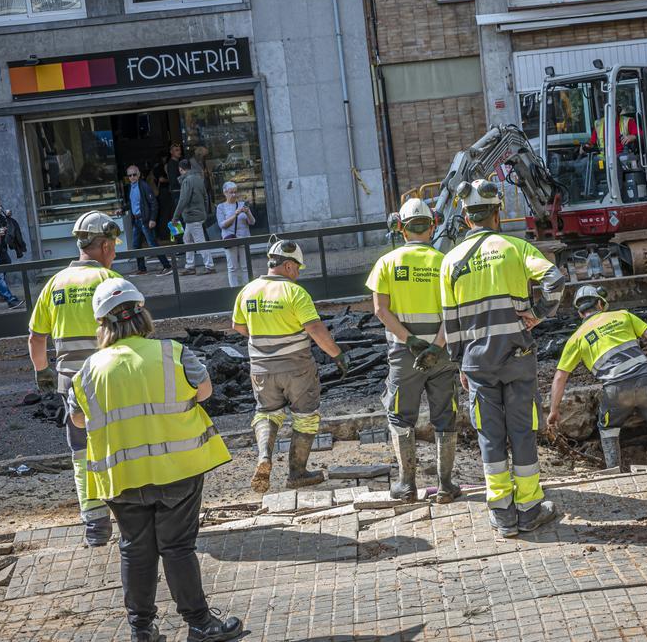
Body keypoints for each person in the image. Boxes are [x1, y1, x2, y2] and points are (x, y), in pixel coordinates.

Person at [68, 278, 243, 642]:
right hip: (178, 471)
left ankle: (142, 630)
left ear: (102, 326)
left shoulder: (86, 373)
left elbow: (79, 420)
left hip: (122, 477)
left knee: (134, 549)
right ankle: (199, 623)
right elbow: (205, 391)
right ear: (143, 315)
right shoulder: (173, 353)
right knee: (177, 547)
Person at [439, 179, 566, 537]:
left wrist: (460, 361)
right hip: (517, 356)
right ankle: (528, 509)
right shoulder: (514, 247)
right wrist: (539, 313)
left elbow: (451, 322)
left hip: (477, 363)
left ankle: (502, 515)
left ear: (466, 218)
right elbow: (554, 281)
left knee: (490, 437)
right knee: (522, 432)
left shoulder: (449, 261)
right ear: (498, 214)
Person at [27, 211, 122, 546]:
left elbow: (36, 339)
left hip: (71, 384)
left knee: (82, 453)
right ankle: (131, 517)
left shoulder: (54, 284)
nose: (114, 253)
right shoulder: (109, 283)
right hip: (111, 380)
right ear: (106, 245)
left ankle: (96, 528)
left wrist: (43, 375)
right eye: (113, 247)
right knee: (121, 446)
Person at [232, 238, 350, 493]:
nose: (297, 273)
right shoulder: (295, 293)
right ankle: (297, 474)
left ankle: (264, 456)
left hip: (261, 369)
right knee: (305, 417)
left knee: (266, 412)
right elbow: (315, 329)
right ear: (287, 265)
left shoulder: (248, 291)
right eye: (297, 268)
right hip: (297, 368)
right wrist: (337, 354)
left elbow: (239, 327)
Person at [366, 198, 460, 503]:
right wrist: (435, 346)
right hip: (441, 355)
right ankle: (445, 486)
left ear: (400, 228)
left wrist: (410, 341)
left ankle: (406, 485)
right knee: (445, 417)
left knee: (400, 418)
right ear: (432, 226)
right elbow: (453, 312)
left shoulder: (386, 263)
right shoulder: (445, 262)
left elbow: (381, 311)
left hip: (404, 356)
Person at [547, 286, 647, 469]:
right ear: (600, 303)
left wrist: (554, 410)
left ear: (581, 313)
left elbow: (560, 377)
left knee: (607, 428)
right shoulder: (623, 315)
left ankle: (615, 471)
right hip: (646, 383)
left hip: (616, 392)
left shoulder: (577, 337)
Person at [124, 165, 172, 276]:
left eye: (134, 174)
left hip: (144, 220)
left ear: (139, 174)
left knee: (152, 244)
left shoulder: (144, 186)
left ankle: (167, 266)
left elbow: (154, 203)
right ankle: (142, 269)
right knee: (136, 245)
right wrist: (122, 209)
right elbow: (132, 203)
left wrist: (152, 219)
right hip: (136, 221)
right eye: (129, 175)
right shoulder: (130, 187)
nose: (132, 177)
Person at [171, 159, 215, 275]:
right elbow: (206, 197)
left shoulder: (187, 181)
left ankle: (209, 266)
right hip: (198, 215)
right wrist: (204, 212)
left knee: (199, 242)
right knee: (188, 239)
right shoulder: (198, 179)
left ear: (180, 169)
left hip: (192, 216)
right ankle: (190, 266)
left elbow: (183, 200)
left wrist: (175, 217)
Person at [216, 182, 255, 288]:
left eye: (235, 192)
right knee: (232, 267)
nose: (234, 195)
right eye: (231, 192)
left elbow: (252, 222)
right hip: (230, 239)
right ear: (225, 193)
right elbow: (222, 225)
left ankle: (247, 288)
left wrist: (247, 213)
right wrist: (235, 215)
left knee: (245, 266)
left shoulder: (242, 204)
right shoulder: (221, 207)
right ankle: (234, 289)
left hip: (244, 237)